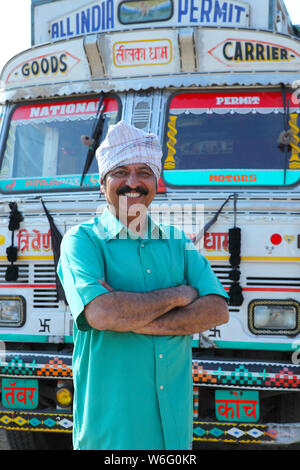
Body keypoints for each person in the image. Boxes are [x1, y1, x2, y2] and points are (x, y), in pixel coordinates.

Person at [57, 120, 229, 451]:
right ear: (102, 182)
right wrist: (180, 295)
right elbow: (103, 313)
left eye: (144, 172)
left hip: (173, 433)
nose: (133, 183)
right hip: (111, 434)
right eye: (120, 172)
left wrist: (133, 317)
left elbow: (217, 310)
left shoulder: (178, 242)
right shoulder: (83, 241)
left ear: (155, 182)